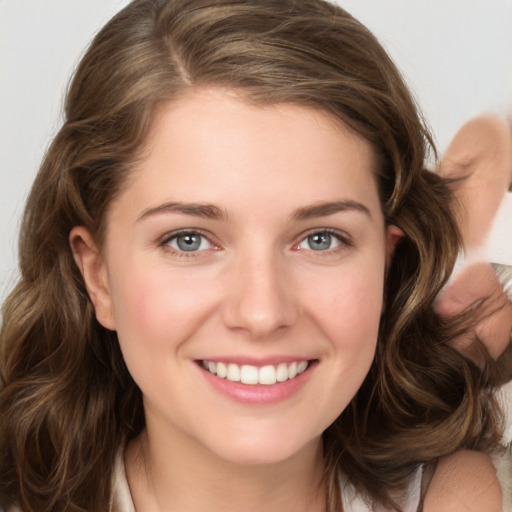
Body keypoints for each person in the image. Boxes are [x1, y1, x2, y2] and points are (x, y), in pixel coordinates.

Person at [0, 1, 506, 511]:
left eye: (321, 239)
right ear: (99, 277)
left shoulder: (454, 494)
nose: (262, 313)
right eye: (189, 240)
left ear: (386, 265)